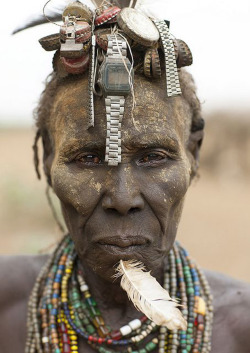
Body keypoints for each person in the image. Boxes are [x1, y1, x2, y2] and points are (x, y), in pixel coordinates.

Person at [0, 1, 250, 353]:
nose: (121, 198)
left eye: (153, 157)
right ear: (46, 158)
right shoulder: (5, 306)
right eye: (88, 157)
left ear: (193, 155)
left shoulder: (241, 330)